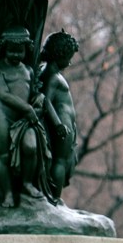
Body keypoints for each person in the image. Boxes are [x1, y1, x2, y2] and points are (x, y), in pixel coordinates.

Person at [0, 26, 52, 205]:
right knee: (4, 156)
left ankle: (26, 184)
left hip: (24, 118)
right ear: (4, 48)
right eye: (11, 51)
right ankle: (8, 193)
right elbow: (4, 95)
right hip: (2, 116)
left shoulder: (28, 71)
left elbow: (31, 92)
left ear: (26, 49)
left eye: (20, 51)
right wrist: (28, 109)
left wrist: (37, 98)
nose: (16, 55)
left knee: (30, 147)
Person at [39, 30, 79, 198]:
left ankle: (54, 196)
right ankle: (54, 197)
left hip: (64, 123)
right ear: (59, 55)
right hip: (61, 125)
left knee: (63, 160)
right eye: (68, 57)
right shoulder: (52, 77)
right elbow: (45, 101)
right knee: (60, 161)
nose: (69, 63)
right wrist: (57, 124)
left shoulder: (49, 73)